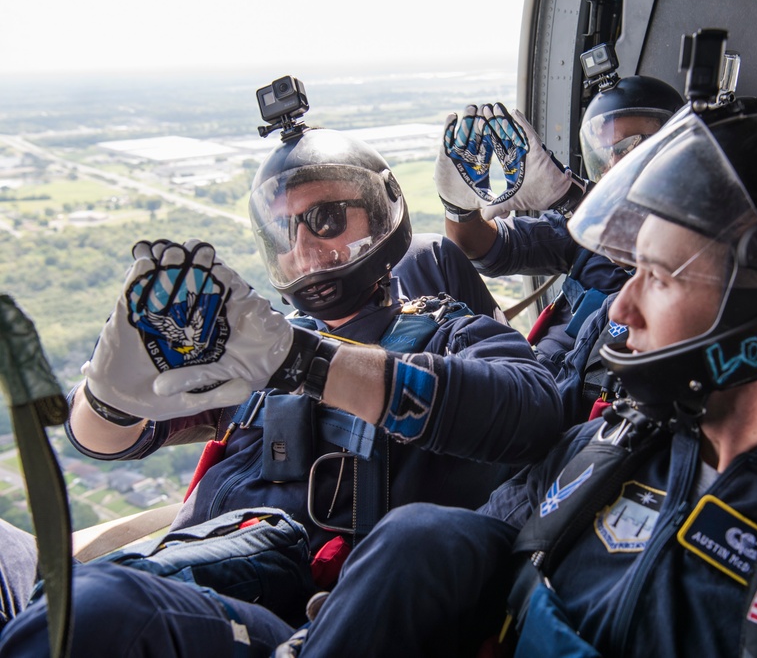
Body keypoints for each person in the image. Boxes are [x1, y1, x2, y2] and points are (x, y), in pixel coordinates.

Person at [275, 105, 757, 657]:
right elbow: (451, 552)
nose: (620, 309)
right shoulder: (603, 446)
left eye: (662, 276)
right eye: (631, 271)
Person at [0, 122, 564, 656]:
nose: (301, 243)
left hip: (309, 618)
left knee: (93, 610)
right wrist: (108, 395)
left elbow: (533, 411)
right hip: (192, 565)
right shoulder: (256, 345)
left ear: (379, 214)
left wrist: (304, 363)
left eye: (324, 217)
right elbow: (104, 442)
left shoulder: (452, 334)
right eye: (284, 228)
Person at [435, 76, 684, 375]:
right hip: (534, 373)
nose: (613, 166)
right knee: (429, 256)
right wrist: (459, 209)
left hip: (585, 397)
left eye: (630, 148)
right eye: (604, 154)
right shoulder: (580, 225)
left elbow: (657, 259)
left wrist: (571, 199)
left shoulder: (701, 230)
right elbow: (490, 251)